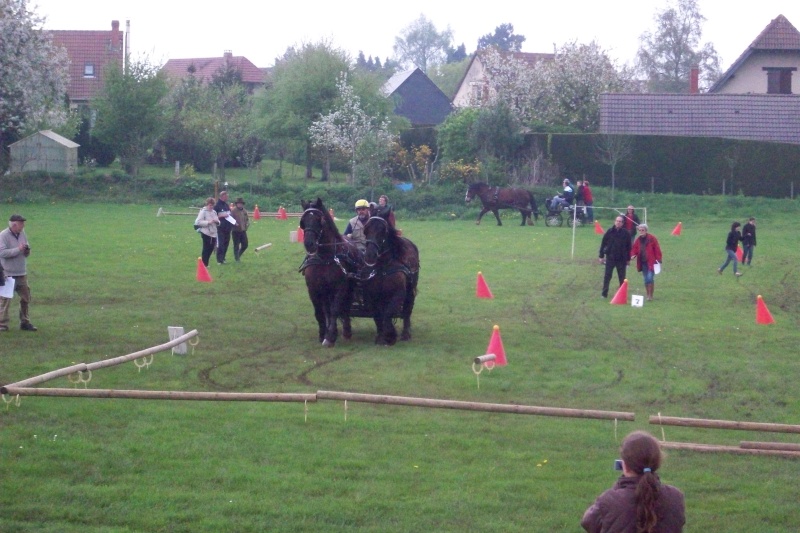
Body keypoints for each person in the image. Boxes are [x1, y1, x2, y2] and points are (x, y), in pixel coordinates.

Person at [581, 430, 685, 533]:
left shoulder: (609, 500)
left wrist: (619, 485)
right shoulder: (675, 497)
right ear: (657, 464)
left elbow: (588, 522)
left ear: (624, 465)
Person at [0, 214, 37, 332]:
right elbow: (3, 253)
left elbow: (25, 249)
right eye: (21, 223)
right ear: (14, 224)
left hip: (21, 273)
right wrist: (18, 249)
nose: (23, 225)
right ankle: (2, 325)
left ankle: (25, 322)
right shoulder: (3, 235)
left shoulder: (22, 233)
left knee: (26, 298)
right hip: (8, 274)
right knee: (5, 300)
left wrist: (26, 250)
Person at [598, 216, 632, 298]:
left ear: (622, 223)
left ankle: (622, 294)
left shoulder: (626, 233)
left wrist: (628, 259)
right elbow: (603, 244)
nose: (618, 222)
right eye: (617, 221)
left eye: (620, 221)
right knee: (607, 276)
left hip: (621, 259)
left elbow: (629, 247)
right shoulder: (609, 231)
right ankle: (604, 293)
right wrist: (601, 256)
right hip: (610, 258)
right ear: (614, 221)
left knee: (622, 277)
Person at [630, 224, 662, 302]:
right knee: (645, 279)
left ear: (646, 230)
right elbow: (634, 249)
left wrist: (659, 259)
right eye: (640, 230)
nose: (641, 232)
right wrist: (633, 255)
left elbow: (657, 249)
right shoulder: (638, 240)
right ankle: (648, 295)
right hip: (643, 262)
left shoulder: (652, 238)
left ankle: (650, 296)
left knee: (649, 278)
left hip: (652, 262)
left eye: (642, 230)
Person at [195, 198, 220, 267]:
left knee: (211, 248)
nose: (211, 206)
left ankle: (206, 262)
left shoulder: (214, 212)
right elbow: (198, 222)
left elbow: (218, 221)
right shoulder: (203, 212)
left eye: (212, 205)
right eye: (210, 205)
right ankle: (204, 264)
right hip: (205, 232)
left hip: (213, 233)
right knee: (206, 248)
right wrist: (208, 222)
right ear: (207, 204)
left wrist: (217, 222)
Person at [214, 190, 234, 264]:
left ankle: (223, 258)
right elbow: (214, 216)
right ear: (222, 196)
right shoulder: (217, 206)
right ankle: (219, 260)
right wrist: (221, 215)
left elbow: (229, 214)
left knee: (226, 243)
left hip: (227, 228)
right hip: (220, 228)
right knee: (221, 244)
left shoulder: (226, 205)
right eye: (226, 196)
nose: (227, 197)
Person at [230, 197, 250, 262]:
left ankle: (238, 255)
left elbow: (247, 219)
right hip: (235, 230)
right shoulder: (233, 210)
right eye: (239, 203)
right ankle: (237, 258)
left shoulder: (244, 211)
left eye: (241, 203)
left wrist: (247, 224)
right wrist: (234, 223)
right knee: (236, 245)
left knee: (245, 244)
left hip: (243, 230)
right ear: (237, 204)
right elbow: (230, 219)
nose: (240, 205)